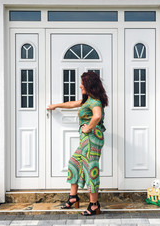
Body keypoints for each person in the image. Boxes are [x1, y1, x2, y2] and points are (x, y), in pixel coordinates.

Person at [47, 71, 108, 216]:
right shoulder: (88, 100)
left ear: (89, 84)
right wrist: (56, 105)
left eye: (82, 83)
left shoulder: (95, 101)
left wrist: (88, 127)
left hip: (91, 139)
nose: (80, 86)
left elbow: (97, 115)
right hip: (86, 139)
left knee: (90, 169)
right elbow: (72, 103)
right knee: (73, 163)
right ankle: (73, 197)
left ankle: (94, 204)